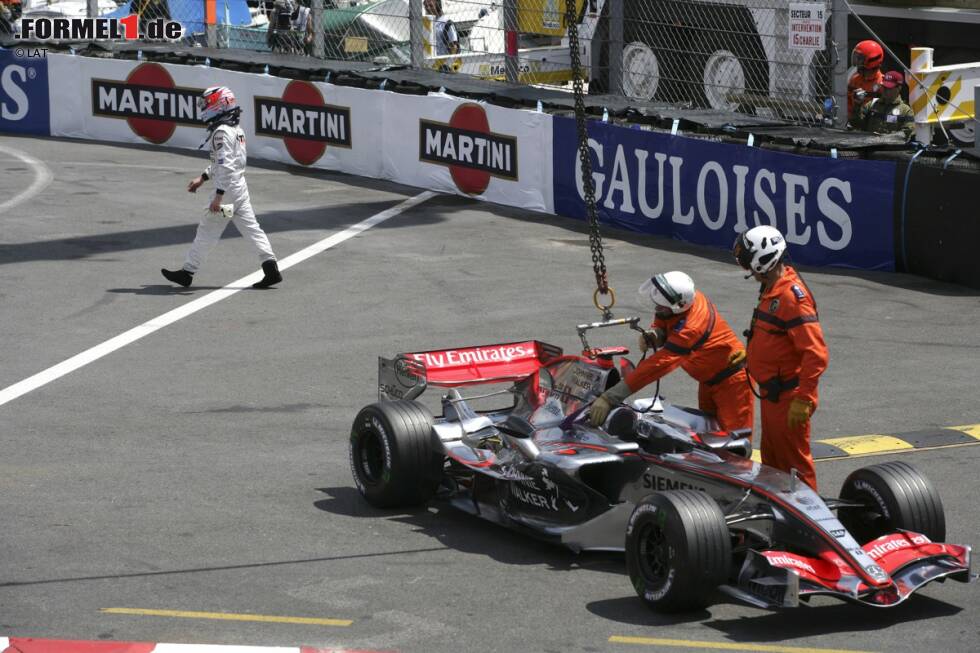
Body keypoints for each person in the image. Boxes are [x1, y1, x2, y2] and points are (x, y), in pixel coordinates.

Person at [588, 271, 753, 433]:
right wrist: (656, 333)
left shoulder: (691, 329)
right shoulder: (682, 298)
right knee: (710, 435)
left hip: (732, 385)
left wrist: (610, 397)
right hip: (709, 380)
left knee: (735, 443)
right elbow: (664, 317)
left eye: (661, 307)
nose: (657, 309)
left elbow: (654, 367)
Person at [732, 226, 828, 491]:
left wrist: (804, 399)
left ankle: (812, 522)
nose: (746, 268)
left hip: (789, 400)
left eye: (747, 261)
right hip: (774, 397)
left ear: (762, 260)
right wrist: (751, 358)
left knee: (794, 466)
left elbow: (816, 354)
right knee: (773, 465)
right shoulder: (772, 287)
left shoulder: (791, 297)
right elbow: (775, 338)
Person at [162, 87, 283, 289]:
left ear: (220, 104)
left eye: (208, 103)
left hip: (226, 193)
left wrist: (218, 198)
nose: (205, 108)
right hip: (239, 190)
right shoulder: (236, 129)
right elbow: (228, 163)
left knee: (207, 230)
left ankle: (187, 272)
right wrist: (203, 177)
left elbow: (225, 165)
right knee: (252, 229)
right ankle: (271, 269)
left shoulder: (220, 132)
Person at [857, 70, 915, 139]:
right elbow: (856, 124)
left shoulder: (905, 111)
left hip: (891, 149)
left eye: (889, 88)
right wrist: (857, 105)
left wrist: (883, 139)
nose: (885, 90)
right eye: (884, 87)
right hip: (870, 147)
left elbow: (906, 133)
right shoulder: (872, 104)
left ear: (899, 88)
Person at [847, 40, 884, 126]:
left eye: (860, 58)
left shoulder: (882, 83)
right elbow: (848, 102)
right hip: (855, 123)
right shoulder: (855, 79)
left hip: (872, 125)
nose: (857, 61)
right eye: (856, 57)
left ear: (872, 59)